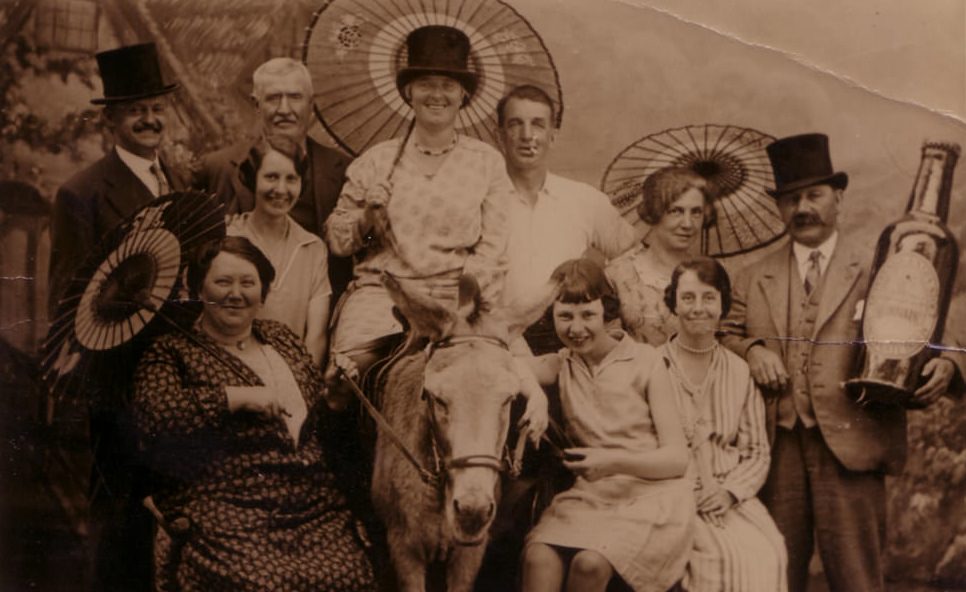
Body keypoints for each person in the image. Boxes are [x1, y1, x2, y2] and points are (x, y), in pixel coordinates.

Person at [721, 133, 965, 592]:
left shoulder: (880, 263)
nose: (802, 209)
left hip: (855, 440)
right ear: (779, 208)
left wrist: (950, 363)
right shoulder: (753, 278)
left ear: (838, 197)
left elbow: (925, 317)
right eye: (791, 200)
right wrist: (752, 351)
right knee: (774, 575)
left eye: (813, 195)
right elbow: (724, 336)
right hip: (776, 451)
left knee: (857, 580)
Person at [132, 236, 377, 591]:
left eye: (248, 283)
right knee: (262, 582)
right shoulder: (172, 352)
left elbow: (314, 426)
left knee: (350, 575)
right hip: (228, 506)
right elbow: (156, 418)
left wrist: (334, 400)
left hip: (312, 507)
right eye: (223, 281)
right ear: (199, 286)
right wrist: (234, 397)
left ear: (263, 291)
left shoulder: (283, 340)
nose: (236, 293)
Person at [47, 42, 188, 591]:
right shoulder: (81, 193)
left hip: (175, 370)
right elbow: (68, 302)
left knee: (170, 505)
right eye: (136, 111)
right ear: (110, 120)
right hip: (120, 376)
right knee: (120, 514)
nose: (150, 119)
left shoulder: (173, 179)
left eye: (156, 107)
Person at [325, 25, 511, 385]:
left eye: (448, 85)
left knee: (499, 383)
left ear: (463, 95)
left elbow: (492, 251)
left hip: (456, 297)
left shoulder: (486, 162)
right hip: (383, 293)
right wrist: (366, 217)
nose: (436, 94)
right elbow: (338, 240)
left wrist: (463, 302)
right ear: (409, 91)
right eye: (426, 83)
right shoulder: (378, 161)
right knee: (345, 381)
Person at [521, 259, 693, 592]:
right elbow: (499, 365)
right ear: (551, 316)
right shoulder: (562, 364)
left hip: (651, 497)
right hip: (591, 498)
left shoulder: (647, 361)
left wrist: (610, 461)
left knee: (589, 564)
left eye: (588, 315)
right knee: (537, 558)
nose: (576, 328)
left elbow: (676, 459)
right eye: (565, 316)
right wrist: (536, 397)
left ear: (607, 312)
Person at [660, 257, 786, 592]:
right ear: (673, 303)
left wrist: (730, 493)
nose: (698, 308)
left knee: (769, 552)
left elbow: (757, 451)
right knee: (715, 559)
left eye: (708, 298)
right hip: (668, 494)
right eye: (687, 298)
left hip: (727, 494)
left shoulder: (739, 371)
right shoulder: (652, 366)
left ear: (723, 305)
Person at [195, 57, 354, 303]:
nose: (284, 109)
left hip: (321, 306)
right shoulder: (217, 168)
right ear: (256, 105)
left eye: (294, 97)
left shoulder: (343, 169)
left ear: (311, 105)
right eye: (273, 98)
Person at [497, 84, 637, 355]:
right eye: (516, 124)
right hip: (501, 342)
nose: (527, 136)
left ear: (553, 135)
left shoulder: (584, 200)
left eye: (538, 124)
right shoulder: (482, 201)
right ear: (500, 134)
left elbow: (631, 256)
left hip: (571, 341)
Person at [226, 135, 330, 365]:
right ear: (253, 179)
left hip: (296, 374)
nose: (281, 189)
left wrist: (303, 384)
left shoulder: (312, 248)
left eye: (291, 179)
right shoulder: (229, 239)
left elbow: (316, 336)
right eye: (271, 177)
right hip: (237, 368)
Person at [606, 167, 715, 345]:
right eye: (676, 211)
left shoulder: (711, 274)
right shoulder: (617, 274)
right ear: (654, 212)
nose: (688, 224)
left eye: (696, 212)